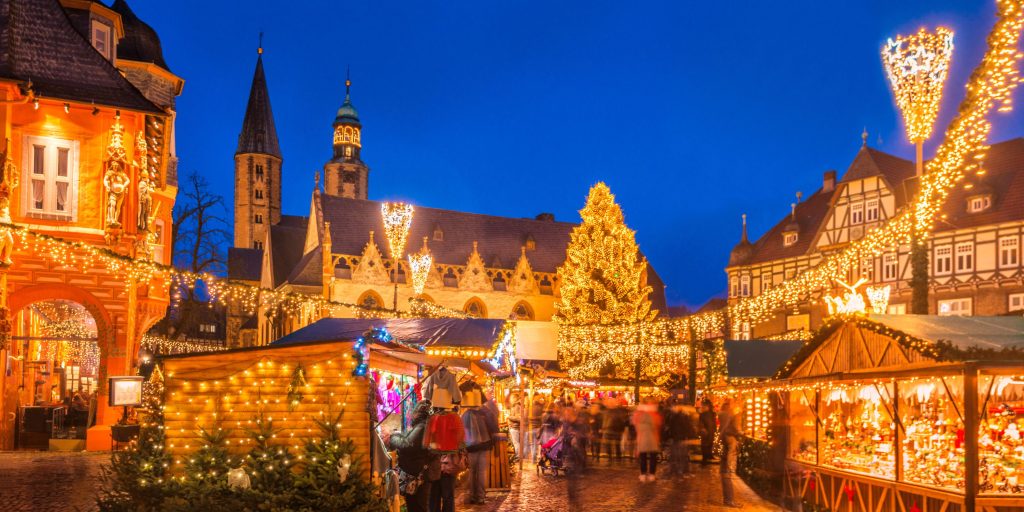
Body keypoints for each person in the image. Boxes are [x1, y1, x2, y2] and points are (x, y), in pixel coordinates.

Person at [387, 401, 438, 512]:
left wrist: (393, 437)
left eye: (414, 412)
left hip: (418, 475)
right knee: (416, 505)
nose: (412, 414)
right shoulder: (425, 426)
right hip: (419, 474)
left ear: (419, 413)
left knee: (418, 506)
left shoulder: (422, 427)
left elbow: (407, 445)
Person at [631, 397, 663, 482]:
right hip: (653, 438)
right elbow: (659, 425)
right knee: (653, 457)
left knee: (643, 457)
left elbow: (634, 424)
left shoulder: (638, 414)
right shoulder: (655, 415)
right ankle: (652, 474)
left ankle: (643, 474)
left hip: (641, 438)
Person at [718, 397, 742, 508]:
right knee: (728, 472)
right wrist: (740, 432)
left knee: (724, 472)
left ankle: (727, 499)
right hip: (730, 441)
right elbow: (736, 429)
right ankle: (729, 500)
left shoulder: (722, 414)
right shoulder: (733, 415)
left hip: (724, 441)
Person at [699, 399, 717, 466]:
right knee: (705, 445)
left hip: (710, 431)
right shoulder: (703, 414)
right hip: (706, 432)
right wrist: (702, 429)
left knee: (709, 444)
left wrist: (714, 429)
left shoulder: (712, 413)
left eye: (704, 406)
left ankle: (709, 456)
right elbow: (701, 423)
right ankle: (704, 460)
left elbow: (713, 422)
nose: (703, 407)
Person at [527, 395, 545, 463]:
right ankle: (536, 458)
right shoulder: (541, 407)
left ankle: (533, 459)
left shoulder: (530, 408)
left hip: (531, 427)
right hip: (538, 427)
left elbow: (527, 417)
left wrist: (531, 419)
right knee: (537, 443)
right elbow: (542, 418)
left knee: (532, 443)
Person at [507, 392, 523, 459]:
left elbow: (519, 418)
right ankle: (518, 455)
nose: (510, 399)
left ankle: (518, 456)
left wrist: (509, 417)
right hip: (514, 427)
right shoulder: (514, 406)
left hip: (515, 427)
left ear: (514, 398)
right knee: (516, 442)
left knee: (516, 443)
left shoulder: (517, 406)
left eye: (511, 398)